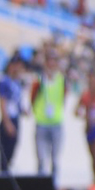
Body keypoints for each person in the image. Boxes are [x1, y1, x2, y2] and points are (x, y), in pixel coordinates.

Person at [31, 48, 69, 181]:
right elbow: (33, 98)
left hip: (56, 123)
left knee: (55, 159)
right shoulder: (39, 80)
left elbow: (64, 97)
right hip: (41, 122)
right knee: (41, 158)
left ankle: (54, 185)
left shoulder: (61, 80)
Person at [0, 57, 28, 174]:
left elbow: (16, 101)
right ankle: (2, 174)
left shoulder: (17, 83)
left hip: (15, 118)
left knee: (13, 149)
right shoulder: (5, 82)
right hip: (8, 119)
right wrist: (7, 122)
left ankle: (6, 172)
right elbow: (3, 103)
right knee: (5, 151)